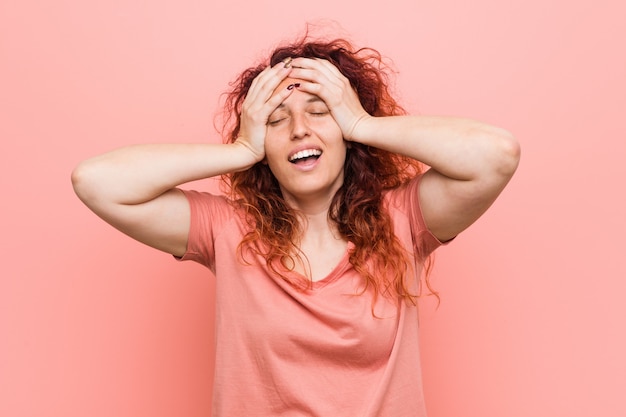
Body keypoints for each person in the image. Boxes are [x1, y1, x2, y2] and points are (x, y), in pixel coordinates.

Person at [72, 31, 520, 416]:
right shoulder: (227, 230)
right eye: (277, 119)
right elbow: (96, 181)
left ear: (346, 131)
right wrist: (240, 150)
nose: (299, 129)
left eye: (320, 111)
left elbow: (495, 154)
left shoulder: (403, 221)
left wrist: (361, 120)